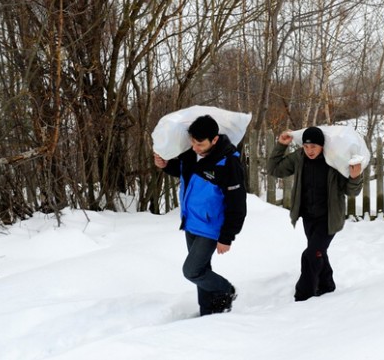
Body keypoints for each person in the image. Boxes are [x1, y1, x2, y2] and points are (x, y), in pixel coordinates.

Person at [153, 115, 247, 316]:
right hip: (191, 221)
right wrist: (165, 166)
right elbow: (183, 172)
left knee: (192, 271)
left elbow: (237, 204)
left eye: (199, 143)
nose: (194, 147)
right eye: (192, 142)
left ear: (214, 140)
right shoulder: (190, 154)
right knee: (203, 269)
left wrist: (226, 236)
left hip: (211, 227)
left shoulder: (227, 162)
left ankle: (226, 290)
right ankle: (208, 312)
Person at [267, 127, 363, 302]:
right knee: (319, 252)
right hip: (308, 217)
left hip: (329, 218)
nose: (310, 151)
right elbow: (274, 169)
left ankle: (304, 296)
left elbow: (351, 191)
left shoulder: (334, 161)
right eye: (306, 146)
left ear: (322, 146)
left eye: (314, 147)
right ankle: (327, 285)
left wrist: (355, 177)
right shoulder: (299, 157)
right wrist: (281, 145)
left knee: (311, 254)